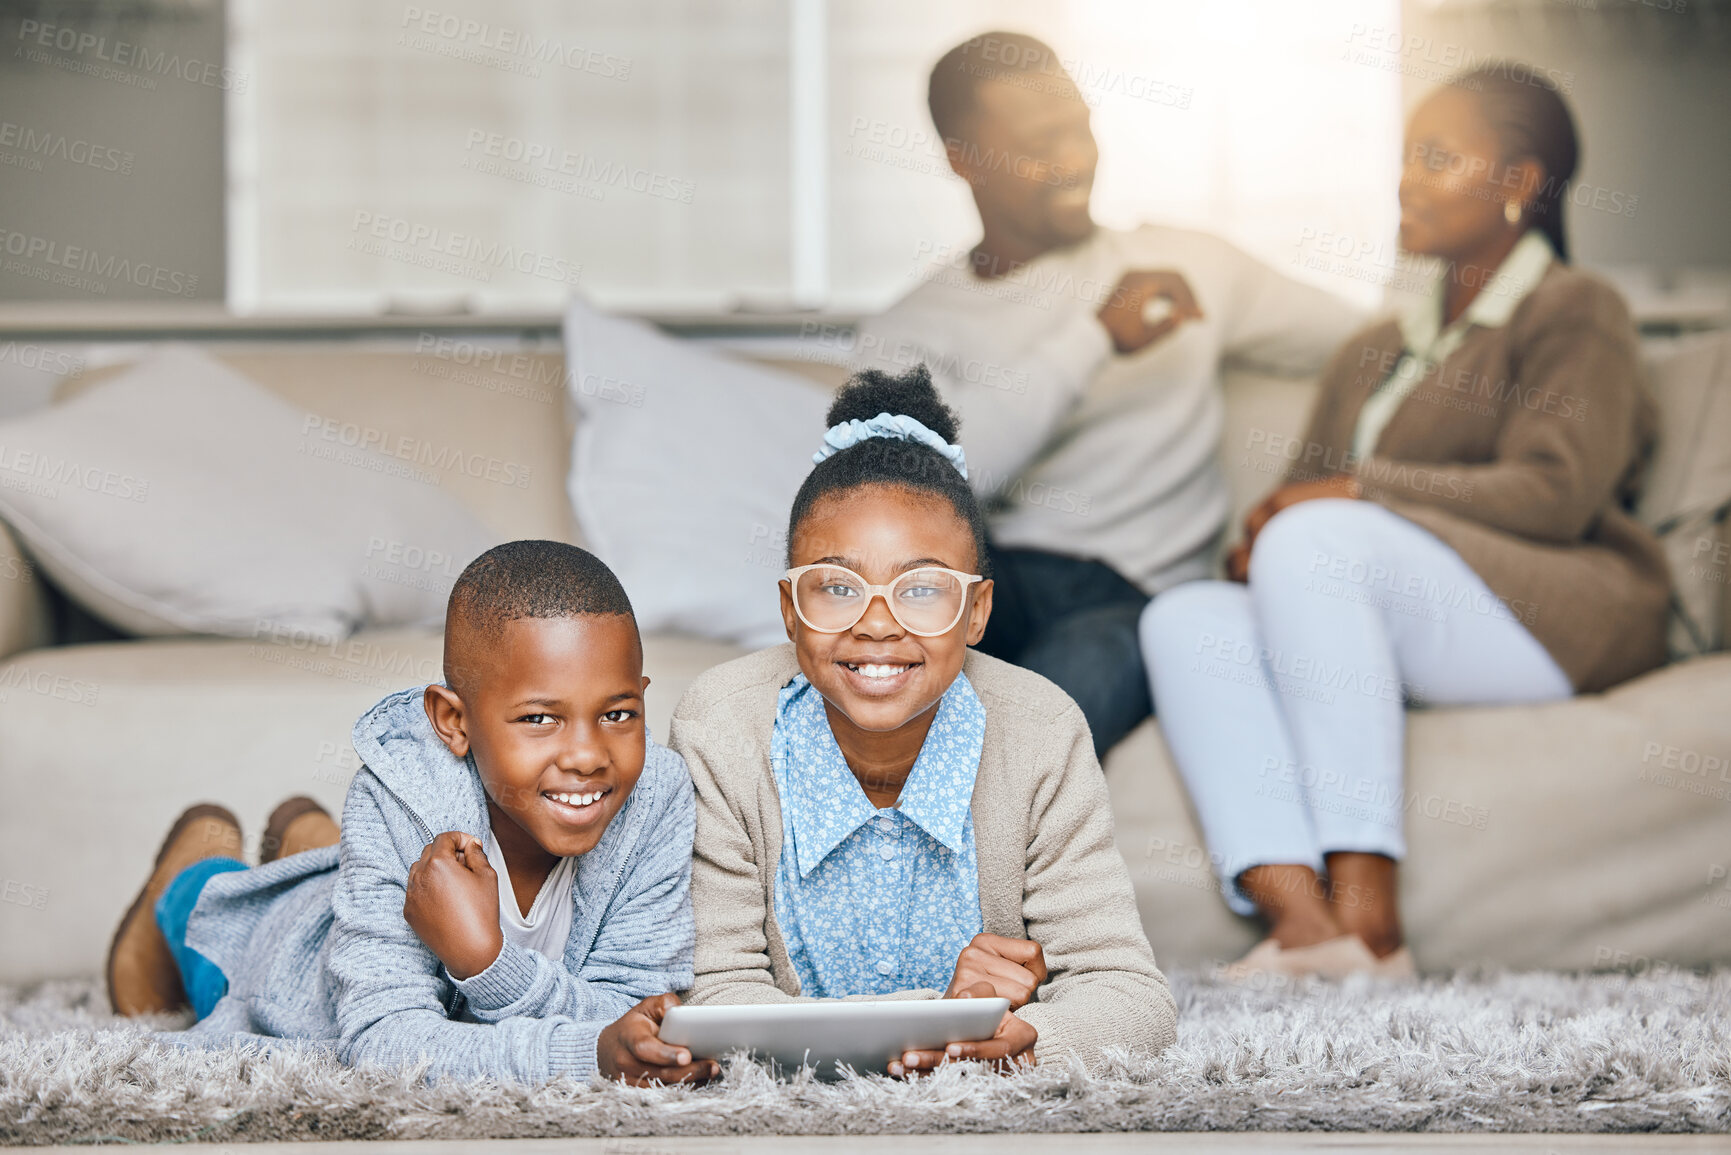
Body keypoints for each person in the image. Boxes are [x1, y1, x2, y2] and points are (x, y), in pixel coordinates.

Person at [1138, 66, 1671, 979]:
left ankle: (1371, 915)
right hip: (1383, 608)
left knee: (1313, 537)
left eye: (1437, 157)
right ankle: (1308, 928)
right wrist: (1265, 535)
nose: (1405, 181)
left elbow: (1556, 490)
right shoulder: (1371, 346)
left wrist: (1356, 494)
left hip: (1550, 612)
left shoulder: (1576, 310)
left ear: (1517, 184)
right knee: (1181, 618)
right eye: (1404, 158)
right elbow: (1309, 497)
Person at [853, 31, 1364, 757]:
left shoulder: (1186, 263)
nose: (1072, 160)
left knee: (1029, 744)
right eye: (1037, 143)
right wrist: (1092, 337)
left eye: (1079, 128)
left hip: (1132, 597)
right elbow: (923, 497)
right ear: (963, 160)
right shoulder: (909, 330)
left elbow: (1375, 343)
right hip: (985, 580)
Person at [671, 364, 1175, 1075]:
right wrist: (931, 1016)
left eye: (923, 588)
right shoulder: (720, 726)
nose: (878, 623)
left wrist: (1026, 1039)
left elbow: (1129, 993)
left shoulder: (1040, 728)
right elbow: (714, 991)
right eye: (838, 586)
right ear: (788, 608)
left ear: (976, 612)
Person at [105, 540, 715, 1085]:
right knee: (238, 924)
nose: (587, 756)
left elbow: (635, 1011)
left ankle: (310, 840)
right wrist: (497, 972)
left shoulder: (656, 794)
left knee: (343, 871)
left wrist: (495, 970)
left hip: (360, 893)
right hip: (287, 965)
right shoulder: (396, 794)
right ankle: (193, 872)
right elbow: (383, 1043)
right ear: (454, 721)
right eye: (539, 718)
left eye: (618, 714)